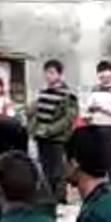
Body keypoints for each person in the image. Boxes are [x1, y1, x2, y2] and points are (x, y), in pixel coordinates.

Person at [31, 59, 78, 208]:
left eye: (52, 72)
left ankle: (60, 198)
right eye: (46, 72)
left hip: (57, 138)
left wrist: (51, 130)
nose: (48, 76)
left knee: (58, 169)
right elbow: (36, 113)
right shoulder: (43, 93)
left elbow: (68, 118)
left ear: (59, 74)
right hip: (41, 136)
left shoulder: (67, 94)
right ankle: (48, 198)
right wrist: (34, 129)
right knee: (45, 168)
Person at [83, 60, 111, 175]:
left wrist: (101, 108)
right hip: (96, 126)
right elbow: (88, 106)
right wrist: (90, 109)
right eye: (100, 72)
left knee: (110, 157)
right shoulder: (95, 90)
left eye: (106, 71)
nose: (103, 75)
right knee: (98, 157)